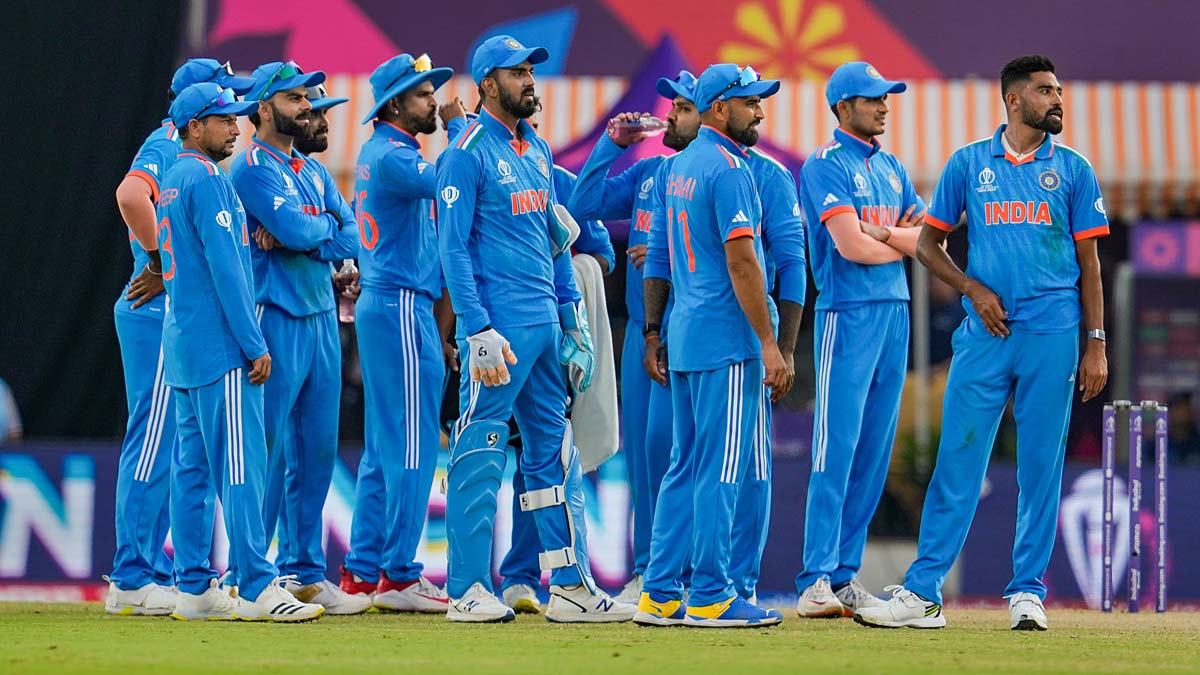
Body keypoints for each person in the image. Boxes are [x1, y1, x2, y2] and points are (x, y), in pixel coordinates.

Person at [855, 54, 1109, 631]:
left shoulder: (1074, 169)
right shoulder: (969, 163)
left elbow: (1090, 265)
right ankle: (923, 594)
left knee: (1040, 466)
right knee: (957, 461)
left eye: (1059, 90)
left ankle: (1027, 593)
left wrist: (1095, 342)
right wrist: (972, 288)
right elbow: (927, 244)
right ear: (1013, 100)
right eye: (1045, 90)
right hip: (984, 336)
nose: (1057, 99)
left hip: (1052, 335)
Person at [436, 35, 634, 623]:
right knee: (479, 449)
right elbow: (452, 248)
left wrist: (572, 318)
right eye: (516, 71)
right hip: (498, 334)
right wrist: (475, 328)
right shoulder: (465, 152)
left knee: (555, 455)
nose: (528, 80)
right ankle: (468, 589)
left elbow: (556, 240)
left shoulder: (538, 150)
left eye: (529, 70)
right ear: (487, 84)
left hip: (545, 327)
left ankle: (571, 587)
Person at [157, 82, 323, 622]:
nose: (235, 127)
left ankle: (193, 588)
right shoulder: (208, 179)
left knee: (192, 471)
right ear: (194, 127)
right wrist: (254, 344)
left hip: (184, 345)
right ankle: (254, 585)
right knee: (242, 468)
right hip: (222, 348)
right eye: (223, 119)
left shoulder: (172, 179)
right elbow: (228, 271)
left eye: (235, 118)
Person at [633, 63, 792, 628]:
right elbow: (744, 261)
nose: (760, 111)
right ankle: (710, 594)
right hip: (727, 340)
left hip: (686, 334)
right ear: (720, 108)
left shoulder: (675, 167)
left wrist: (655, 331)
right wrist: (769, 342)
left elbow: (659, 256)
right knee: (721, 471)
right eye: (750, 102)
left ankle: (658, 592)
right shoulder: (730, 169)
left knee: (683, 466)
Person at [106, 58, 255, 616]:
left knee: (176, 447)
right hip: (158, 310)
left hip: (173, 312)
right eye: (223, 96)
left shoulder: (191, 155)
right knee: (153, 439)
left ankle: (156, 573)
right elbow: (130, 196)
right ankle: (131, 577)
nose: (232, 108)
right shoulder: (167, 140)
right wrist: (158, 262)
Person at [229, 61, 367, 615]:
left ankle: (304, 572)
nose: (307, 106)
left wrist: (312, 237)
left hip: (322, 317)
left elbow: (349, 233)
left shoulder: (310, 169)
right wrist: (313, 234)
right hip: (276, 315)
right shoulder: (250, 169)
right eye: (294, 98)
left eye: (307, 98)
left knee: (316, 450)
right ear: (264, 108)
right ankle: (250, 577)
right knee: (266, 450)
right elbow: (296, 229)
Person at [793, 61, 927, 618]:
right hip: (846, 314)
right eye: (873, 98)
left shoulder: (891, 166)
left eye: (886, 97)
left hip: (895, 313)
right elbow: (851, 246)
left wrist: (888, 235)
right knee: (836, 447)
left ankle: (845, 576)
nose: (884, 105)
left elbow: (931, 239)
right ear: (843, 107)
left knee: (874, 453)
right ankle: (815, 580)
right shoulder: (825, 164)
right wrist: (900, 241)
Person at [568, 71, 699, 605]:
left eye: (683, 107)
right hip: (643, 337)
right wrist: (610, 145)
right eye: (672, 106)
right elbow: (582, 207)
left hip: (692, 332)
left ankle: (691, 573)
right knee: (646, 457)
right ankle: (649, 571)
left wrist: (668, 256)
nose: (670, 115)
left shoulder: (725, 174)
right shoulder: (650, 173)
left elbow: (745, 258)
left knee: (678, 454)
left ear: (711, 115)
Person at [337, 52, 454, 613]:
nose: (434, 100)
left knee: (385, 446)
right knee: (413, 444)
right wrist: (462, 128)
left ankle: (363, 572)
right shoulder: (395, 156)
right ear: (395, 104)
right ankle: (401, 575)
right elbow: (456, 181)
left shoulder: (380, 152)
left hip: (391, 305)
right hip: (403, 305)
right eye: (423, 93)